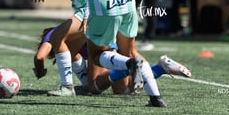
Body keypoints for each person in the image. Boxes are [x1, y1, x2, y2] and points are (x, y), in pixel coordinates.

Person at [34, 26, 191, 95]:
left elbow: (39, 56)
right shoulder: (69, 47)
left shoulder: (53, 37)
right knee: (122, 89)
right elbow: (82, 72)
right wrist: (83, 86)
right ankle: (160, 68)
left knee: (97, 88)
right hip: (108, 34)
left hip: (103, 43)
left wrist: (39, 69)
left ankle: (128, 67)